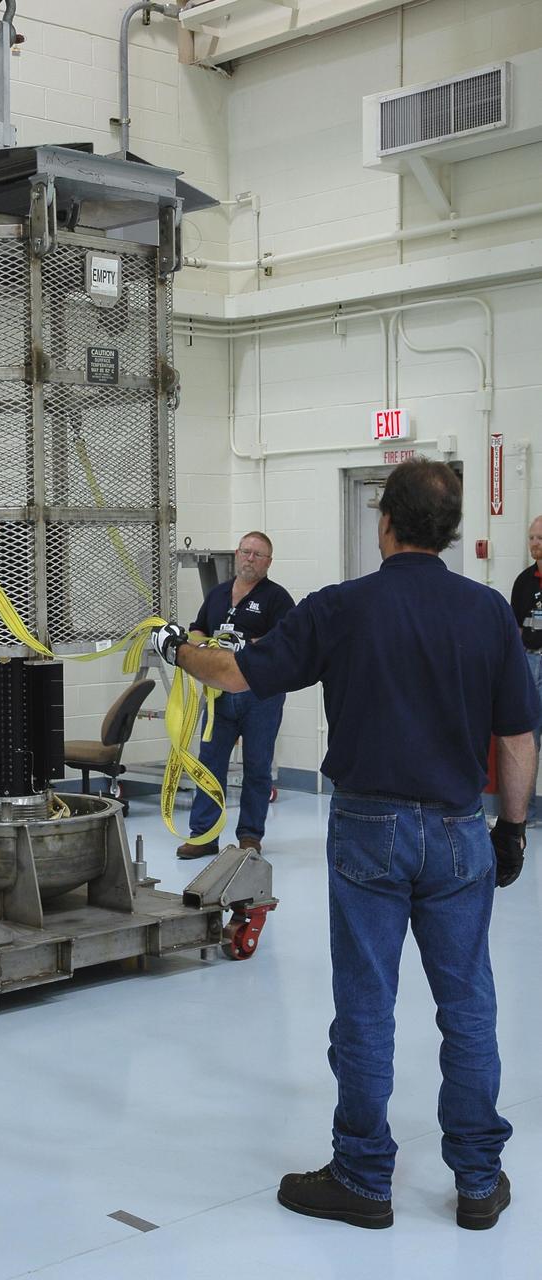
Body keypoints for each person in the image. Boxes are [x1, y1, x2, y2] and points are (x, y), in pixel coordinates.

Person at [153, 459, 539, 1231]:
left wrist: (174, 649)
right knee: (467, 1005)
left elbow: (233, 671)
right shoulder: (487, 611)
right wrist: (510, 829)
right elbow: (518, 737)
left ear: (383, 523)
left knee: (366, 1006)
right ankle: (476, 1180)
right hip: (460, 830)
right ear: (450, 529)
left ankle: (363, 1179)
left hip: (367, 829)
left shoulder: (343, 607)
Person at [175, 531, 294, 859]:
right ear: (237, 555)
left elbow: (286, 641)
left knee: (257, 766)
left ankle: (250, 837)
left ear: (268, 562)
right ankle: (203, 835)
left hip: (260, 697)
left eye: (258, 555)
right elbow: (197, 628)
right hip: (218, 697)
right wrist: (198, 643)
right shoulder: (217, 595)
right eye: (245, 552)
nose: (250, 558)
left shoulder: (277, 599)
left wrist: (246, 646)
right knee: (209, 764)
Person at [509, 514, 542, 822]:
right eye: (532, 538)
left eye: (540, 538)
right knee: (529, 739)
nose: (535, 543)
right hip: (530, 662)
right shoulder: (523, 582)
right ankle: (527, 814)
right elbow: (516, 629)